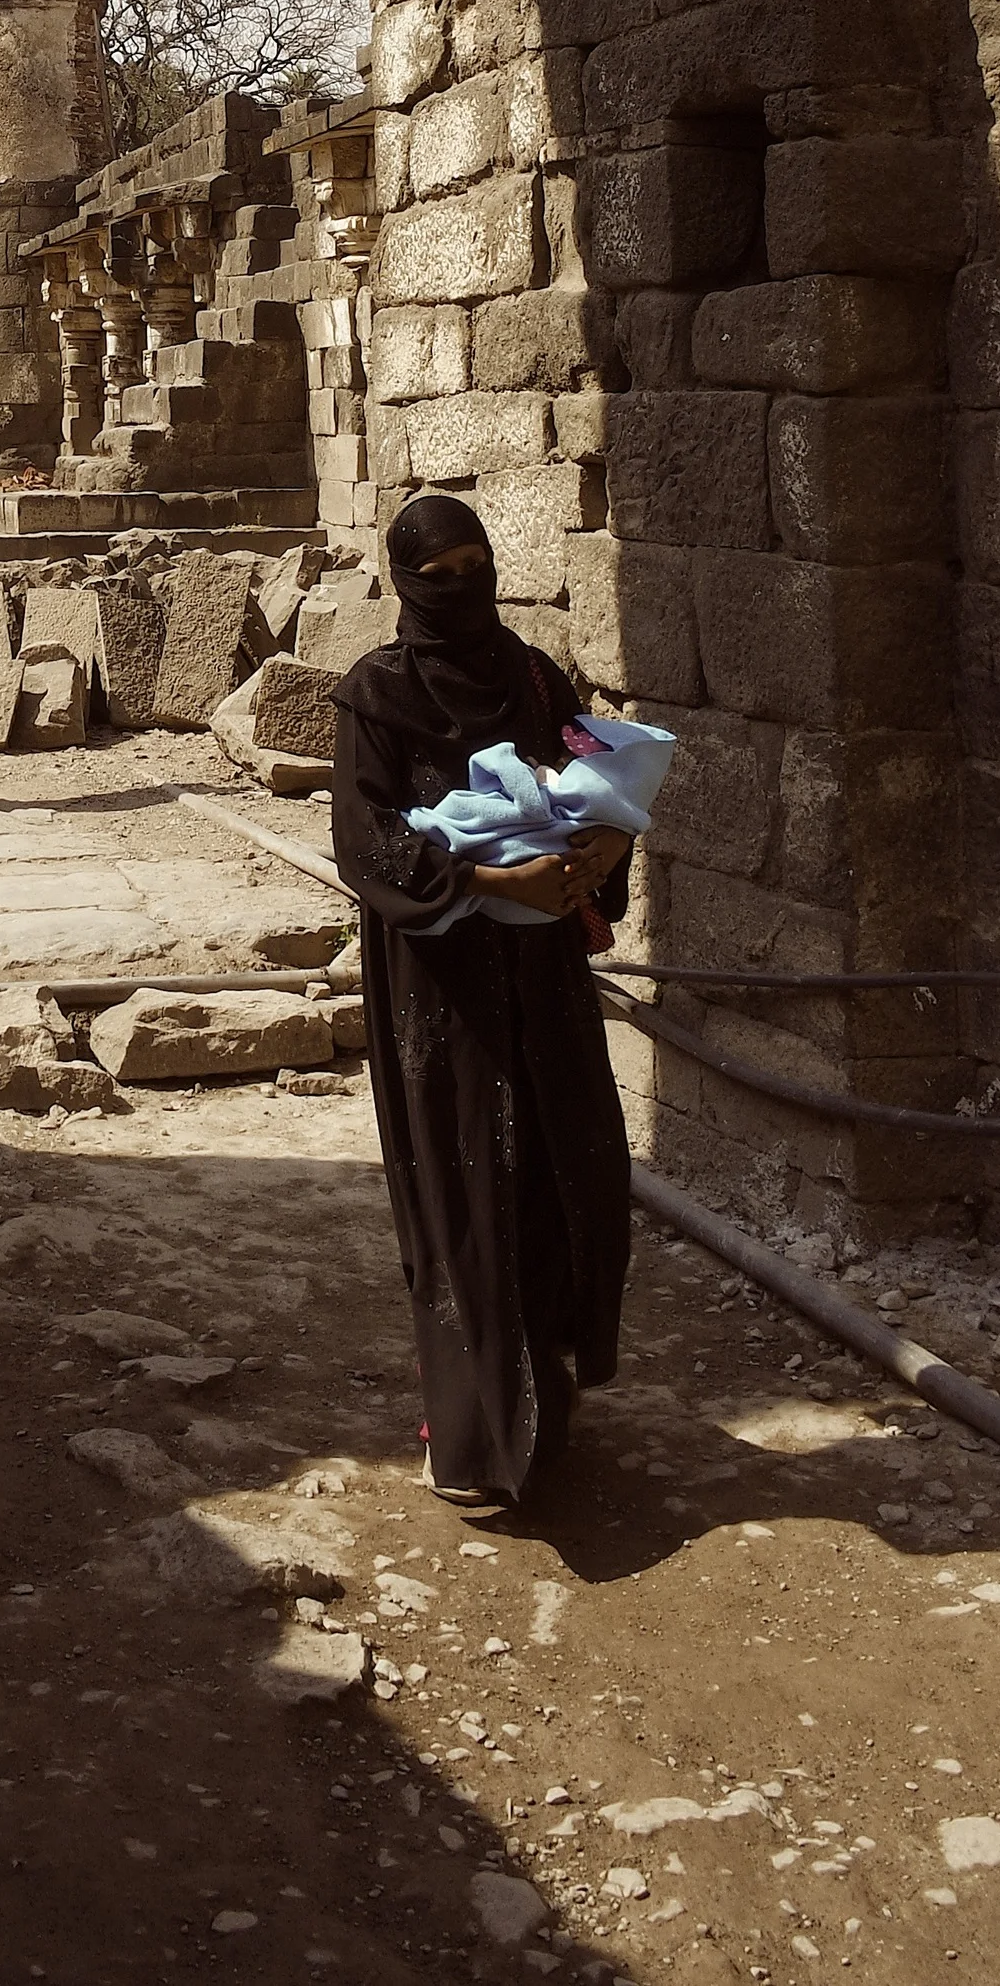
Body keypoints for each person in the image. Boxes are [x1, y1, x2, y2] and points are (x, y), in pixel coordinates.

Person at [329, 489, 632, 1511]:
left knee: (557, 1171)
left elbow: (601, 768)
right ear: (407, 582)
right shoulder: (374, 696)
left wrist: (607, 844)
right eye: (438, 574)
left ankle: (547, 1402)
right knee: (465, 1195)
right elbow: (366, 842)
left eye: (475, 567)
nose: (462, 588)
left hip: (542, 973)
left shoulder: (534, 673)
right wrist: (488, 884)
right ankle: (466, 1438)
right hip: (441, 988)